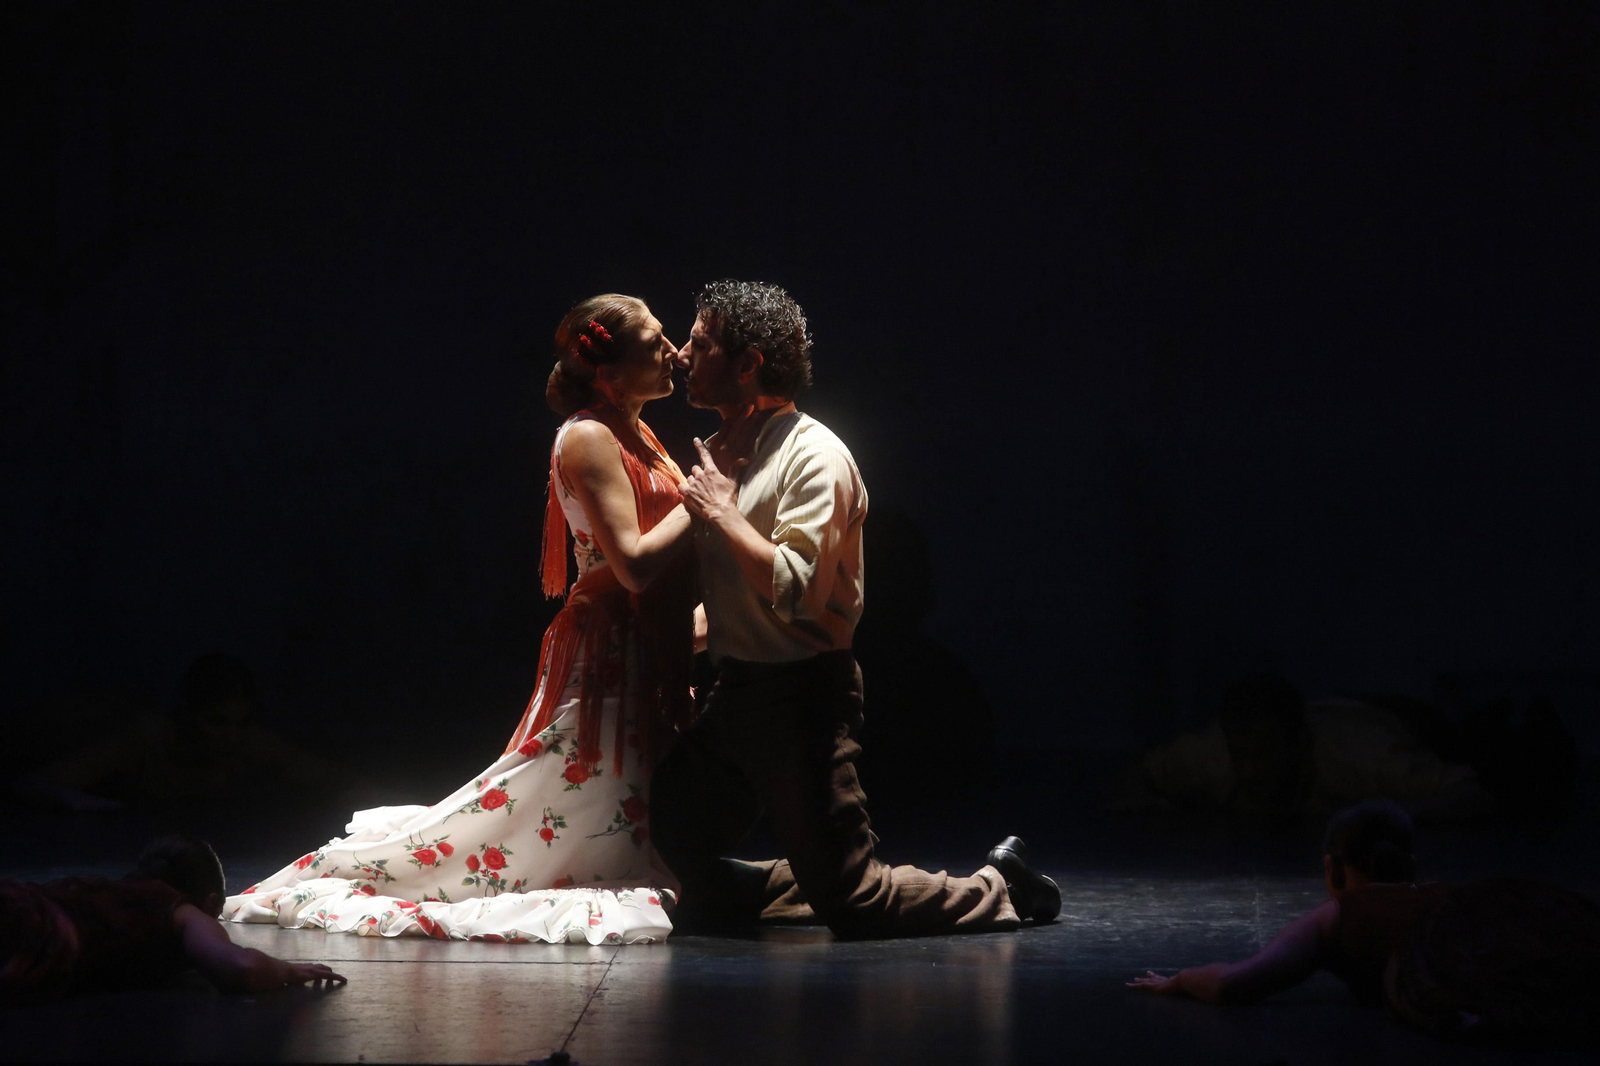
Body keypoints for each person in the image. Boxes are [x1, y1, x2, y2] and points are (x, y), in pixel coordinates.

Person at [222, 295, 697, 945]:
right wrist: (708, 495)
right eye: (653, 340)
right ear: (610, 370)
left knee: (608, 802)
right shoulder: (588, 435)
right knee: (574, 800)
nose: (672, 349)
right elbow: (636, 564)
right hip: (611, 642)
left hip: (643, 640)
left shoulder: (637, 431)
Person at [652, 279, 1060, 938]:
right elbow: (733, 593)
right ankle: (817, 878)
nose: (680, 355)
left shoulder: (814, 455)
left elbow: (798, 588)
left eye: (700, 344)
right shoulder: (735, 450)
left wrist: (723, 514)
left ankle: (997, 888)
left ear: (749, 364)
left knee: (856, 904)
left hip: (799, 697)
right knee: (666, 838)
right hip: (738, 693)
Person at [1127, 800, 1600, 1048]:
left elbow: (1235, 984)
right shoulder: (1444, 892)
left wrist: (1181, 979)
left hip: (1453, 959)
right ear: (1410, 865)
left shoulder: (1340, 913)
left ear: (1332, 869)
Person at [0, 836, 344, 1001]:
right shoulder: (178, 908)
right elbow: (242, 967)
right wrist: (287, 969)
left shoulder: (108, 893)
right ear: (211, 903)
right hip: (30, 928)